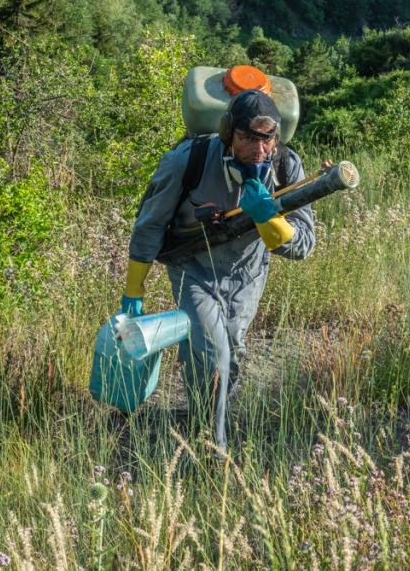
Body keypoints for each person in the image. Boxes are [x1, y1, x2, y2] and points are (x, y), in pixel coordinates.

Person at [120, 89, 316, 451]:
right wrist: (133, 292)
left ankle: (209, 415)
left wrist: (268, 218)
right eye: (247, 138)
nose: (259, 150)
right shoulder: (188, 160)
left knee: (232, 351)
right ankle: (211, 445)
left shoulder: (286, 166)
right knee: (213, 354)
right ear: (228, 133)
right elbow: (149, 226)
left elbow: (303, 245)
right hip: (193, 269)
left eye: (267, 139)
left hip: (249, 274)